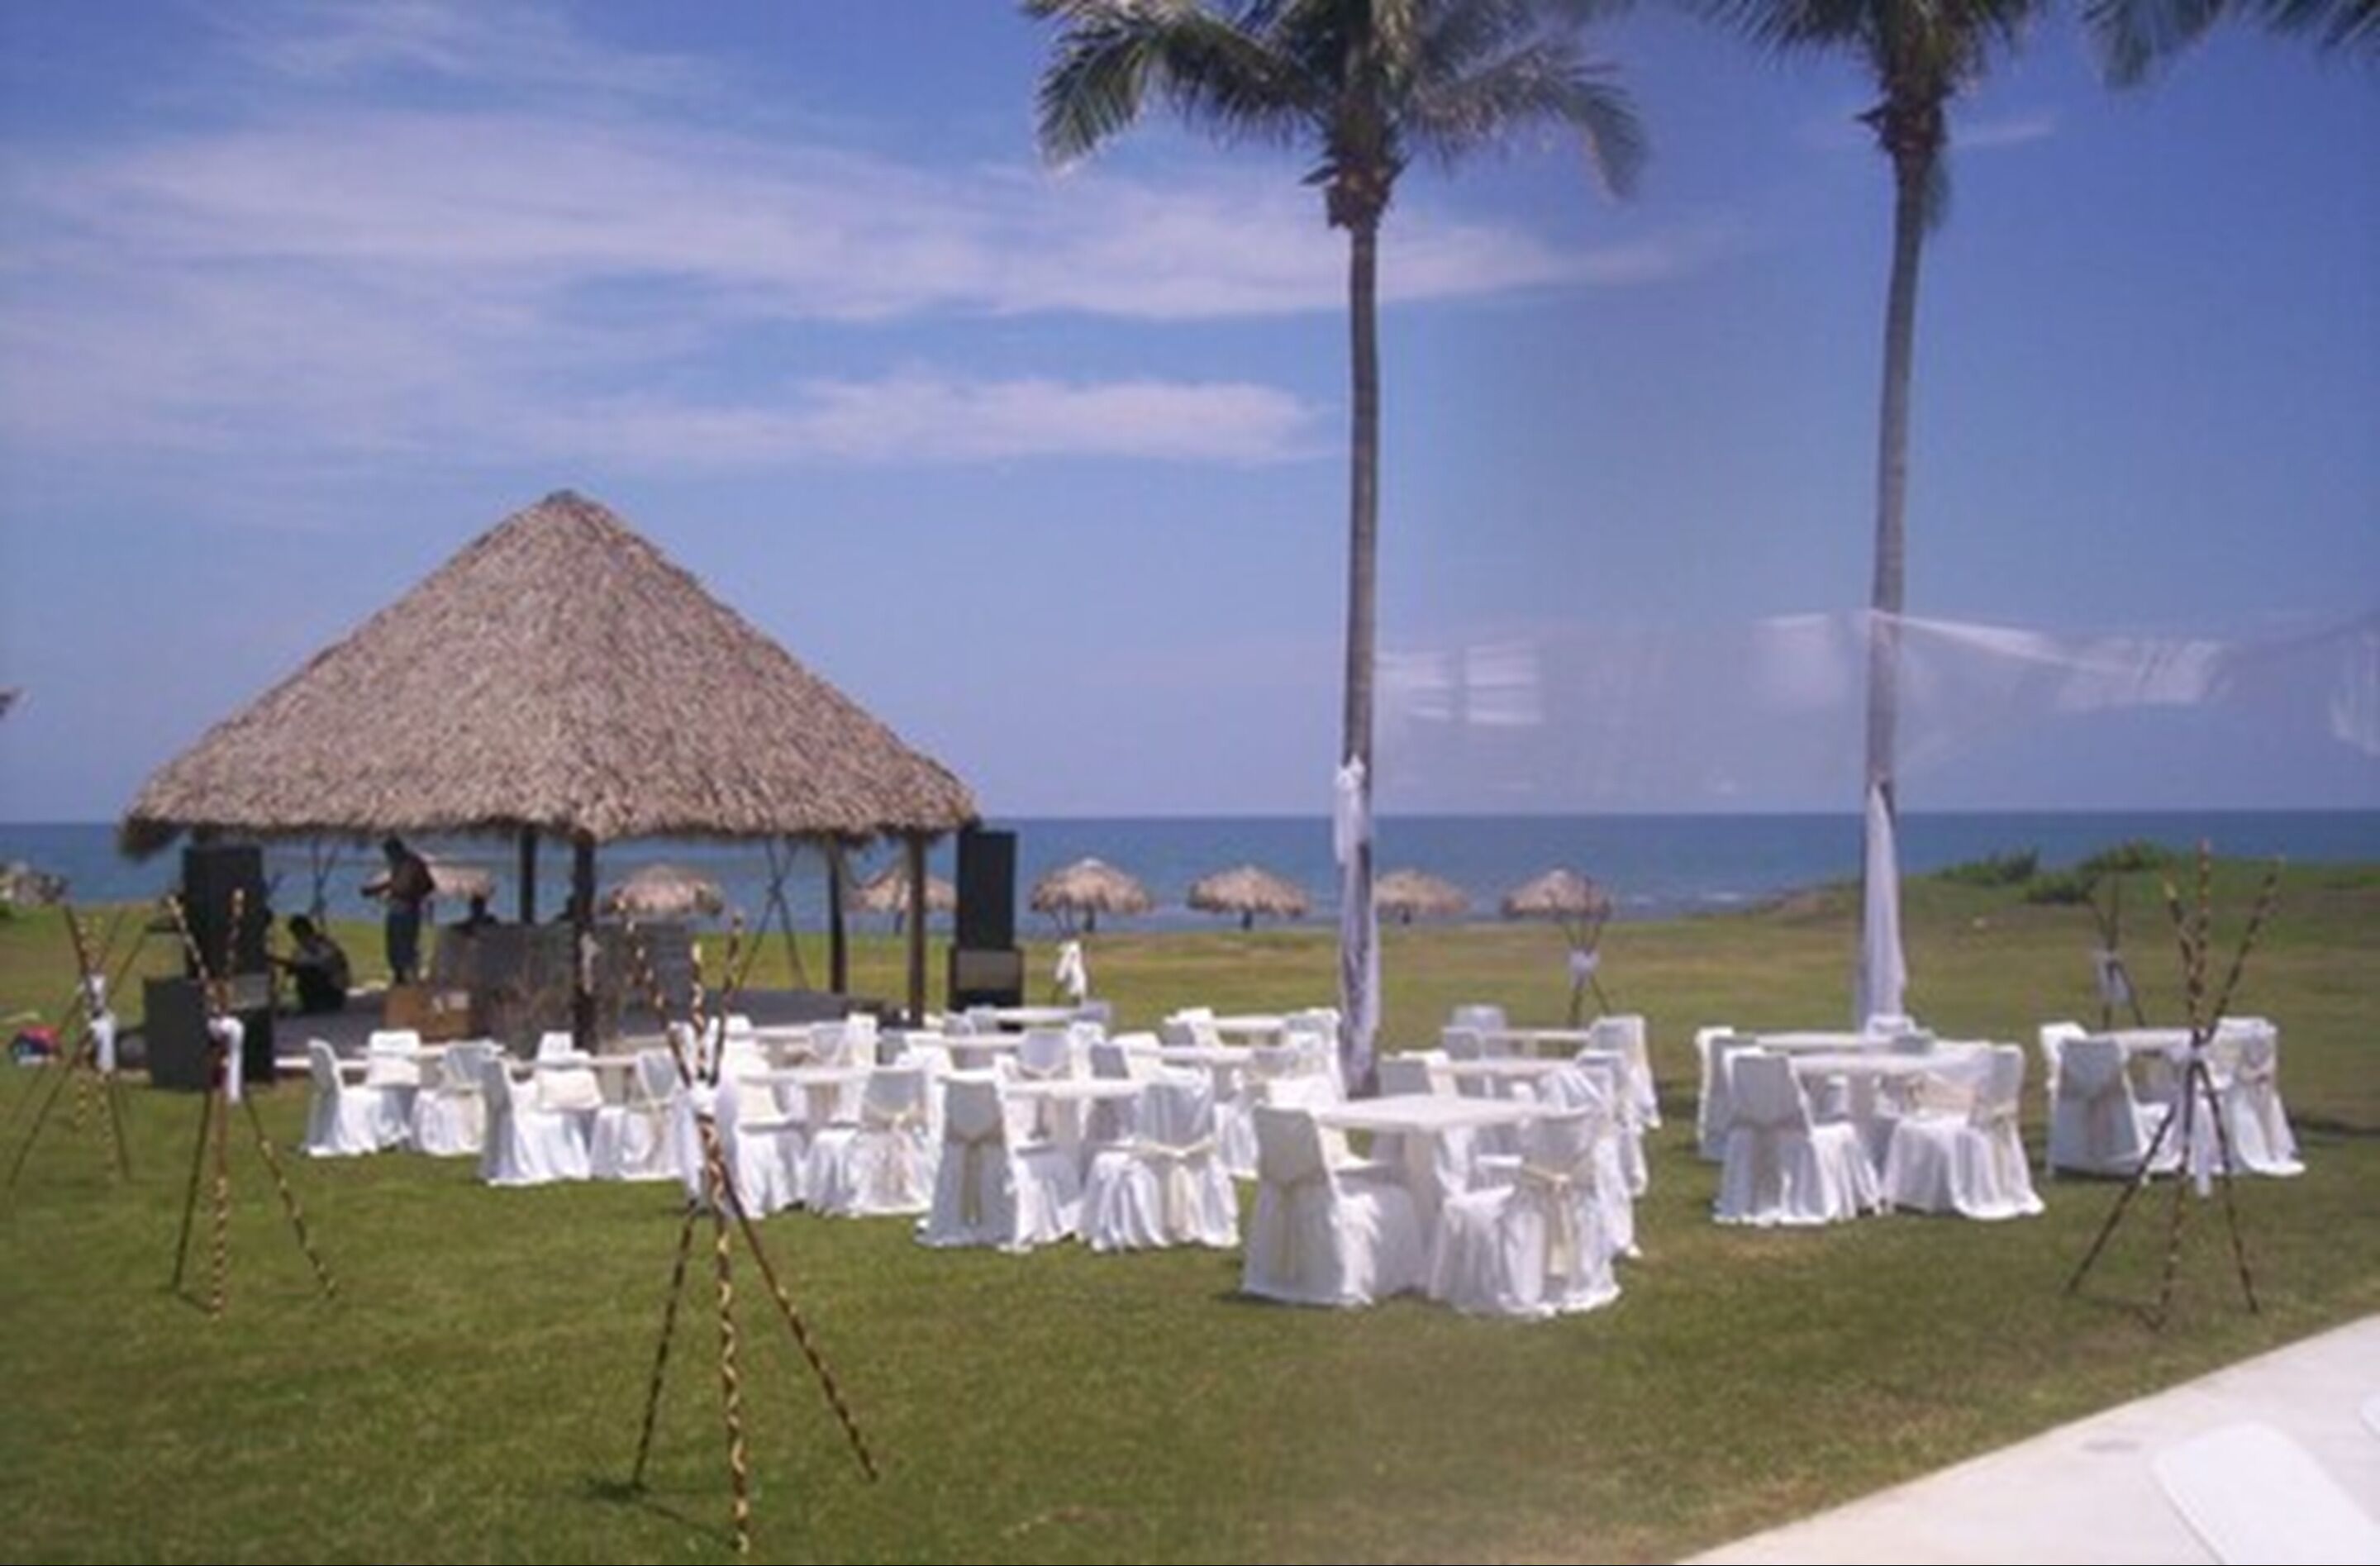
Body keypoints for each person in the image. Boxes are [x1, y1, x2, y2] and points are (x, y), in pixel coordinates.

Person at [371, 835, 435, 985]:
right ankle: (398, 975)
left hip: (408, 909)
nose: (388, 858)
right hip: (395, 908)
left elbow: (428, 885)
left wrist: (413, 894)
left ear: (397, 850)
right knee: (393, 945)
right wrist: (377, 889)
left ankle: (410, 977)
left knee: (407, 945)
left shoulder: (414, 863)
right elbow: (394, 883)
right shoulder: (397, 864)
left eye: (389, 853)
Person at [277, 915, 352, 1014]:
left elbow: (326, 964)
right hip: (321, 990)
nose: (298, 937)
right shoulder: (300, 950)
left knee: (308, 973)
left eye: (299, 933)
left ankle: (318, 1003)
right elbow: (295, 966)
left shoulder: (322, 944)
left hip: (333, 991)